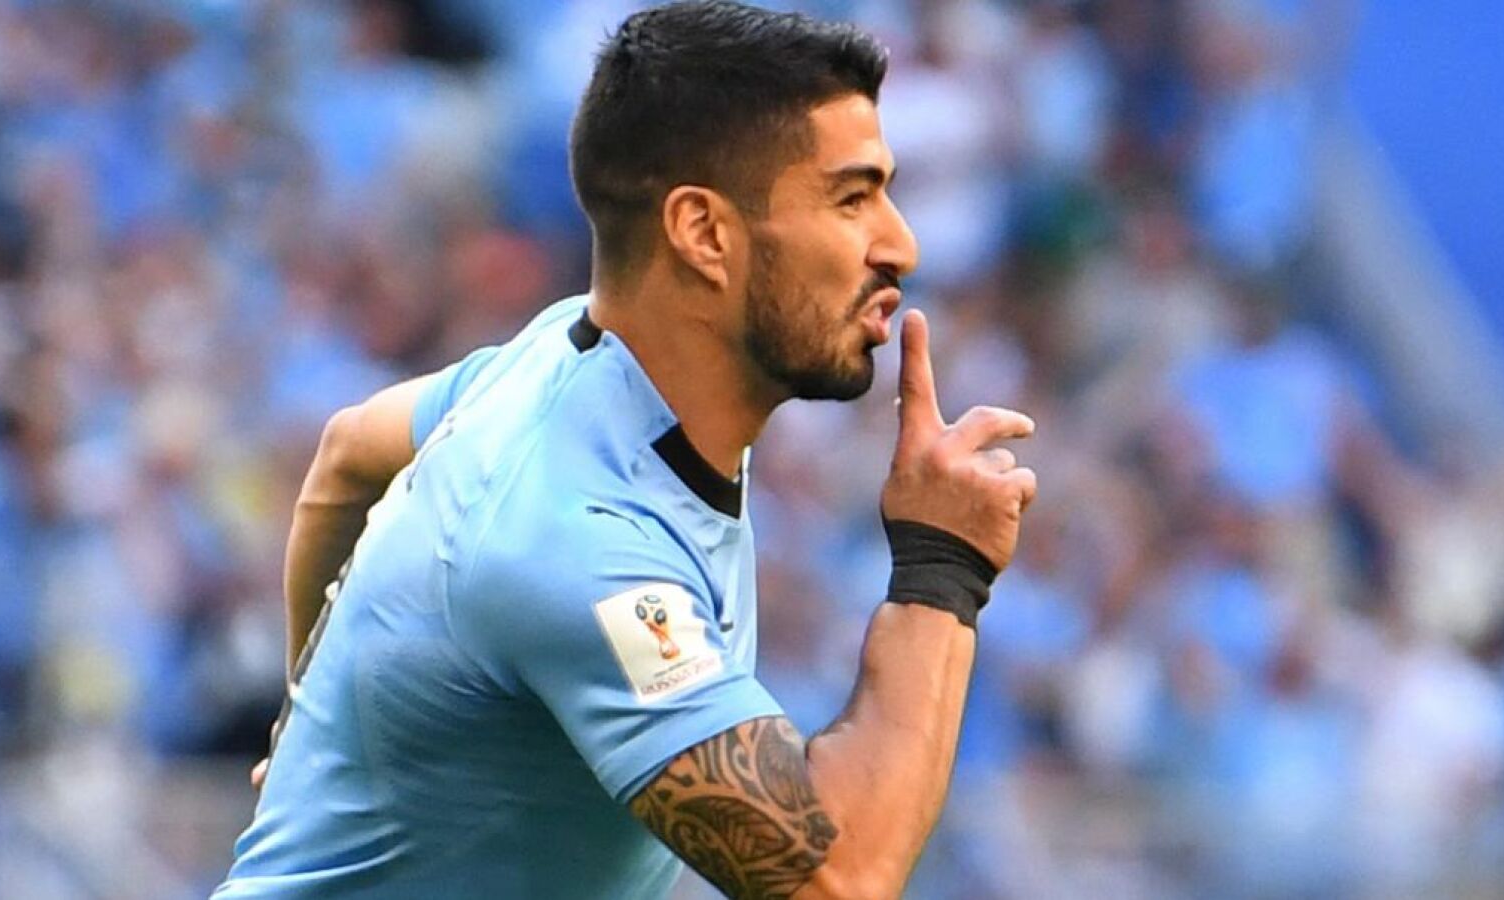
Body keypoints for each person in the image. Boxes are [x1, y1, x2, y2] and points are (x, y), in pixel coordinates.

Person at [216, 3, 1038, 898]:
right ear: (704, 234)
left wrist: (311, 726)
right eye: (851, 198)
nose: (901, 245)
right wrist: (941, 566)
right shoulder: (577, 542)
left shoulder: (565, 356)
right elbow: (838, 880)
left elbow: (351, 451)